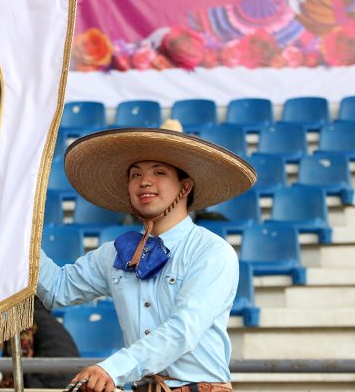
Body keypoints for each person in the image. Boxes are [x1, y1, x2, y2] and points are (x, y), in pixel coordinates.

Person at [37, 128, 257, 392]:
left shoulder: (212, 251)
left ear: (185, 186)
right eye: (135, 174)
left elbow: (183, 329)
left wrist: (112, 368)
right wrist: (17, 237)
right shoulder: (115, 252)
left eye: (159, 172)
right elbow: (58, 289)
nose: (144, 182)